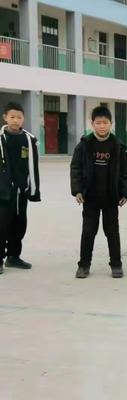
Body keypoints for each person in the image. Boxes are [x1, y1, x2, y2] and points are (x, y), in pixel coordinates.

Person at [70, 106, 127, 279]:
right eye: (98, 123)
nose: (102, 126)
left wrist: (125, 193)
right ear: (92, 124)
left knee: (112, 232)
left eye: (105, 123)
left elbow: (126, 171)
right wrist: (77, 190)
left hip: (111, 198)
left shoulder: (118, 145)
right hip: (90, 197)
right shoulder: (84, 144)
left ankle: (116, 264)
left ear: (111, 124)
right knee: (88, 231)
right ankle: (83, 265)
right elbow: (75, 168)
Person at [0, 102, 40, 275]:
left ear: (23, 118)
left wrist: (33, 189)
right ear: (5, 118)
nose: (15, 121)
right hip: (3, 191)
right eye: (12, 117)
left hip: (21, 190)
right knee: (2, 225)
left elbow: (34, 166)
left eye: (19, 117)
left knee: (20, 224)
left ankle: (13, 257)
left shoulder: (28, 140)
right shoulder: (1, 138)